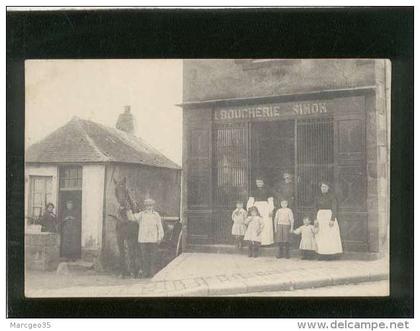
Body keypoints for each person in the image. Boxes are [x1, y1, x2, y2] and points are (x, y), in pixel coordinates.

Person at [129, 198, 164, 278]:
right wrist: (128, 209)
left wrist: (160, 237)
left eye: (150, 206)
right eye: (147, 206)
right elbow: (132, 218)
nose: (149, 207)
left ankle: (152, 273)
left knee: (152, 257)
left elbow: (160, 227)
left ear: (153, 206)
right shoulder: (141, 214)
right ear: (145, 206)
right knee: (144, 257)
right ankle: (145, 273)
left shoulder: (156, 215)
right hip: (143, 239)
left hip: (153, 239)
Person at [313, 181, 343, 260]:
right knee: (321, 236)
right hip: (320, 217)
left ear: (328, 188)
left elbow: (334, 208)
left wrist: (332, 219)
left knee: (329, 236)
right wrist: (315, 219)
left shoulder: (332, 196)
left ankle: (330, 255)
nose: (323, 188)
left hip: (328, 216)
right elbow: (314, 208)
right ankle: (321, 254)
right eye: (322, 187)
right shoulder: (317, 197)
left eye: (325, 187)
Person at [246, 178, 274, 246]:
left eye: (260, 182)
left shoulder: (268, 191)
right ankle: (257, 241)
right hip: (257, 208)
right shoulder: (253, 191)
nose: (259, 183)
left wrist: (271, 210)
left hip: (265, 208)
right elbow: (250, 201)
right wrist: (249, 209)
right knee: (257, 224)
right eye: (257, 182)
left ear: (263, 182)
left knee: (266, 224)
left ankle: (266, 242)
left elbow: (270, 201)